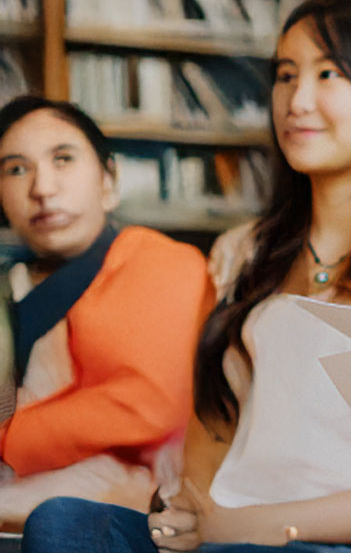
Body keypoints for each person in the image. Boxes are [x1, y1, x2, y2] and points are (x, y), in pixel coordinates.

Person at [21, 0, 351, 552]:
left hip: (344, 544)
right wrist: (192, 517)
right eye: (285, 75)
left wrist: (263, 528)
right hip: (229, 533)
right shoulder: (245, 253)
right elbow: (212, 431)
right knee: (62, 523)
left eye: (327, 74)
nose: (297, 100)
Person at [0, 96, 212, 527]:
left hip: (122, 515)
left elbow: (147, 405)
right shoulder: (12, 279)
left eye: (63, 159)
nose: (42, 188)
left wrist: (8, 440)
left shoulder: (162, 262)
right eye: (17, 169)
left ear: (108, 179)